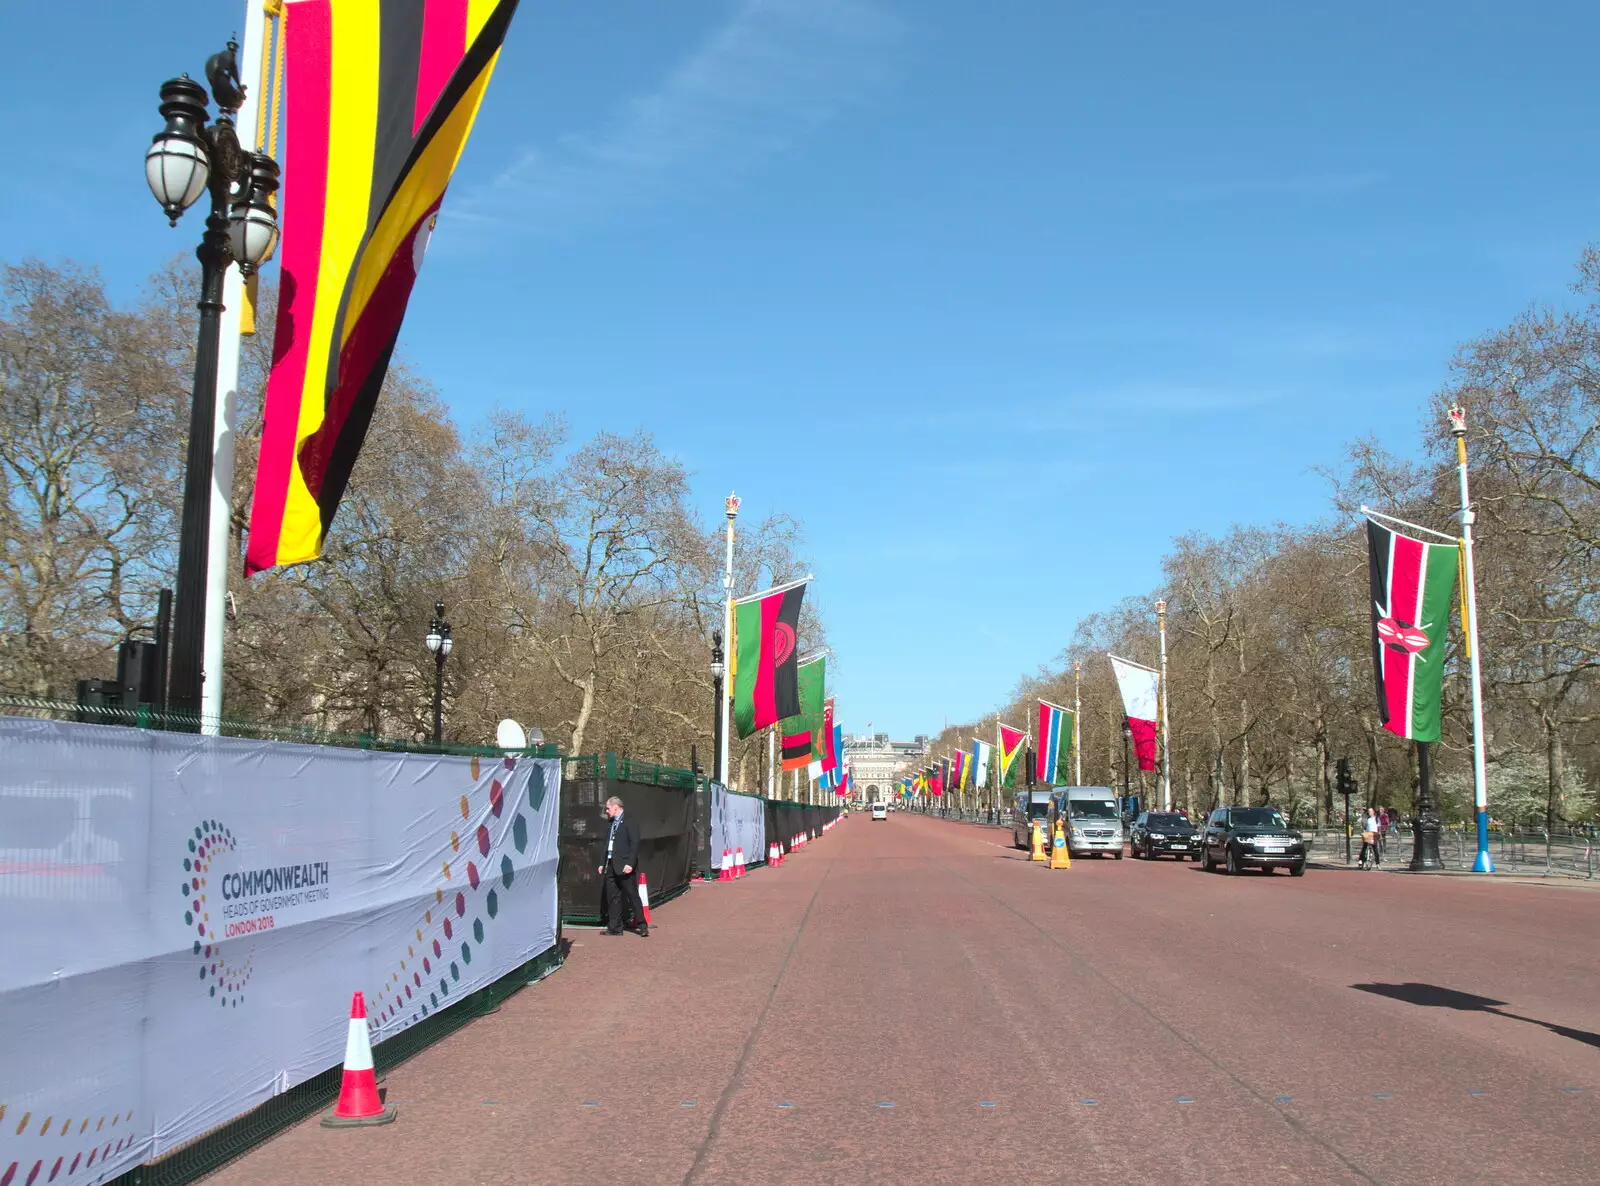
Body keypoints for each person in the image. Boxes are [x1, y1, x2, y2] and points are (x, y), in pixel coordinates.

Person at [598, 796, 647, 937]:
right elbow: (606, 844)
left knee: (632, 895)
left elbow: (635, 844)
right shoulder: (610, 824)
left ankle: (642, 925)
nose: (607, 811)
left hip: (625, 865)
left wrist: (630, 864)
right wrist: (602, 863)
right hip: (611, 863)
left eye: (608, 808)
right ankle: (615, 927)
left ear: (615, 807)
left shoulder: (630, 822)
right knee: (613, 897)